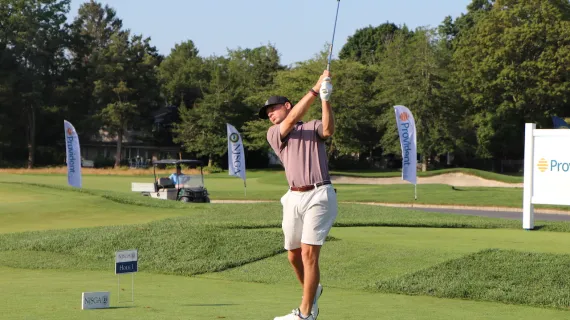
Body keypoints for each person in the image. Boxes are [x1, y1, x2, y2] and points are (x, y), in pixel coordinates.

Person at [259, 70, 338, 320]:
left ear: (287, 105)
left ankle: (305, 314)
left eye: (273, 109)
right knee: (293, 255)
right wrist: (315, 88)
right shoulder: (275, 134)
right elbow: (292, 120)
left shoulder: (311, 127)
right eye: (267, 114)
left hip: (319, 194)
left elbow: (327, 130)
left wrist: (325, 97)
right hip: (293, 197)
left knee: (308, 253)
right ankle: (313, 290)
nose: (270, 115)